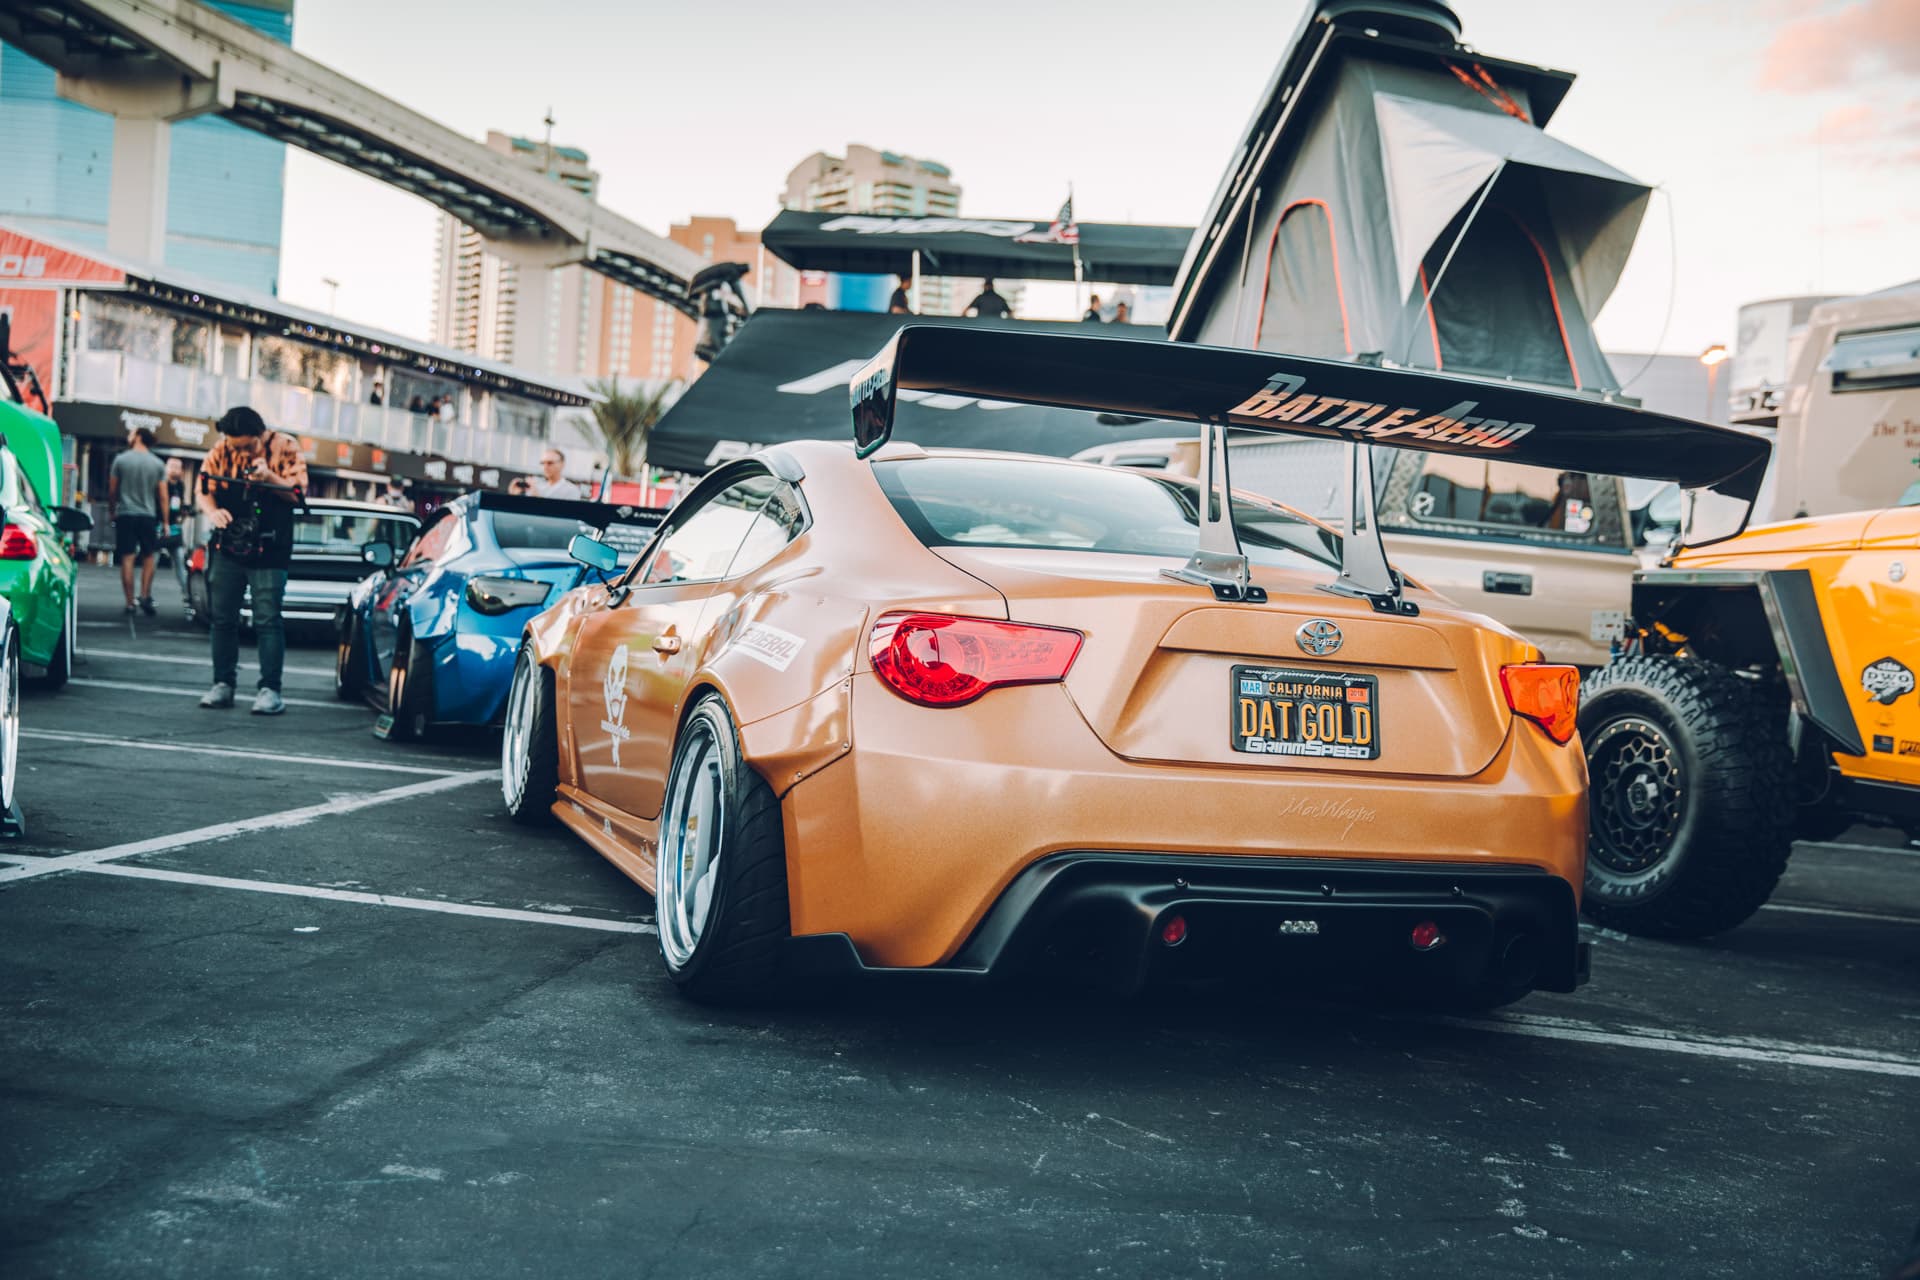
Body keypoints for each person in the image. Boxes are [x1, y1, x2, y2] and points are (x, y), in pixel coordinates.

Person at [196, 405, 308, 715]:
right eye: (236, 447)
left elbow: (299, 493)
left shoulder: (285, 446)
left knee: (267, 619)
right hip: (229, 545)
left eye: (248, 446)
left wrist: (268, 475)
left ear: (261, 435)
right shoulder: (222, 449)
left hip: (270, 547)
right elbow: (202, 488)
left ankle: (270, 689)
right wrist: (212, 511)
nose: (241, 453)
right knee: (222, 618)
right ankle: (223, 684)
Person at [108, 426, 169, 616]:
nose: (129, 436)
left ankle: (129, 603)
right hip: (148, 516)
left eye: (132, 433)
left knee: (128, 557)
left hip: (126, 514)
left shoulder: (121, 460)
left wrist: (112, 511)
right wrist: (166, 522)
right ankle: (144, 594)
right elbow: (163, 496)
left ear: (138, 437)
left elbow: (112, 491)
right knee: (149, 556)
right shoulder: (157, 464)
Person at [162, 457, 192, 605]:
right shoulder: (162, 483)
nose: (174, 469)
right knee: (152, 560)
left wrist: (184, 512)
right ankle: (144, 594)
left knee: (180, 559)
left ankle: (187, 593)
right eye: (172, 466)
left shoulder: (180, 485)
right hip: (160, 526)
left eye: (177, 467)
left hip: (175, 527)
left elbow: (179, 504)